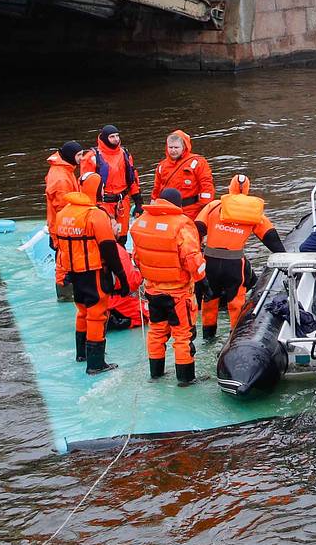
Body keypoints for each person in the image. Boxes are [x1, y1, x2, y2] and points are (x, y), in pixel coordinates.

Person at [53, 175, 129, 374]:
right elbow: (108, 248)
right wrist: (121, 275)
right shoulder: (95, 215)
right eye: (102, 188)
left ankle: (81, 354)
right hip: (93, 272)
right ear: (96, 189)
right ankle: (95, 364)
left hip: (73, 272)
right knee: (97, 314)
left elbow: (58, 246)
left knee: (82, 311)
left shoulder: (63, 212)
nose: (103, 191)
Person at [130, 188, 206, 384]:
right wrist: (202, 280)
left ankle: (156, 374)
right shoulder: (181, 226)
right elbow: (192, 259)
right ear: (178, 205)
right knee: (182, 336)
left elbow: (136, 258)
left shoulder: (141, 223)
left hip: (152, 291)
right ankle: (186, 379)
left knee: (156, 332)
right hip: (178, 292)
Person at [195, 174, 285, 340]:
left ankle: (208, 337)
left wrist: (193, 256)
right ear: (247, 189)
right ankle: (235, 340)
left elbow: (197, 229)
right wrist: (284, 258)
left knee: (209, 301)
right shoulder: (254, 212)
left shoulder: (214, 206)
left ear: (230, 188)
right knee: (236, 303)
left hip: (210, 263)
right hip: (234, 264)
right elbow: (271, 238)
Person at [80, 124, 141, 237]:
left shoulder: (125, 154)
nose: (116, 139)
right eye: (112, 136)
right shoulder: (92, 157)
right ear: (104, 138)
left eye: (117, 136)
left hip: (122, 202)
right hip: (103, 203)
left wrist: (138, 200)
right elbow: (86, 186)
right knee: (105, 235)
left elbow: (132, 179)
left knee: (122, 235)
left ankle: (121, 252)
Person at [45, 140, 84, 297]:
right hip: (63, 227)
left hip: (57, 224)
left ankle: (66, 289)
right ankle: (65, 292)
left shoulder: (62, 170)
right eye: (79, 155)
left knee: (64, 259)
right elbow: (64, 208)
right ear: (70, 156)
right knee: (64, 261)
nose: (82, 158)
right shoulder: (62, 179)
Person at [151, 130, 215, 215]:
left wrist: (205, 208)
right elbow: (157, 187)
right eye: (170, 147)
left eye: (176, 147)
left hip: (191, 211)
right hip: (168, 210)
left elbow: (206, 185)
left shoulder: (197, 162)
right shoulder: (162, 166)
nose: (173, 150)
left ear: (184, 147)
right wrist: (153, 202)